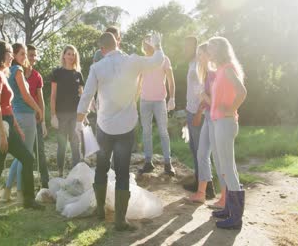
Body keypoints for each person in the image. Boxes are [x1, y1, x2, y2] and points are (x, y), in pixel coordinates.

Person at [76, 32, 165, 231]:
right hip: (126, 126)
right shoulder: (132, 61)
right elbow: (158, 61)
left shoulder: (97, 67)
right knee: (123, 173)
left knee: (101, 167)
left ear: (102, 50)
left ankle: (100, 210)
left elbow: (87, 96)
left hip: (104, 127)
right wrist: (158, 45)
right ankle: (119, 221)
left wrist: (78, 123)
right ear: (117, 43)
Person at [0, 41, 43, 221]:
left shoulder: (2, 74)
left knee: (27, 157)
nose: (11, 56)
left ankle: (29, 200)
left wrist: (16, 128)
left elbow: (7, 106)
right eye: (9, 53)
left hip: (7, 123)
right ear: (2, 55)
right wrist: (2, 134)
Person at [207, 37, 247, 230]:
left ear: (222, 49)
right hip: (219, 122)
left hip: (225, 122)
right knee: (226, 166)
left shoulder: (228, 68)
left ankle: (235, 218)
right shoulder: (221, 70)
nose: (209, 50)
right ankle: (230, 209)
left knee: (228, 168)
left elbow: (242, 91)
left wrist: (231, 110)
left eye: (212, 47)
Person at [1, 43, 43, 202]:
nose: (25, 57)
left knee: (20, 156)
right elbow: (25, 95)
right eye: (22, 54)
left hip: (16, 115)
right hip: (25, 115)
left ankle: (6, 191)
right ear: (15, 56)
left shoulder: (8, 71)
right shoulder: (18, 71)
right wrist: (38, 109)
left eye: (26, 54)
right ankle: (20, 194)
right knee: (26, 156)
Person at [187, 43, 224, 206]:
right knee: (202, 154)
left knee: (218, 157)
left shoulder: (215, 73)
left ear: (208, 55)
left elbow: (217, 102)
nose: (198, 57)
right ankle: (201, 193)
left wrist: (202, 97)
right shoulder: (205, 73)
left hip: (215, 118)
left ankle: (225, 196)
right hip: (208, 116)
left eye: (200, 54)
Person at [138, 37, 176, 176]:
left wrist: (172, 98)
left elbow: (171, 81)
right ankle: (148, 162)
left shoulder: (164, 59)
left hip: (160, 101)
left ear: (154, 44)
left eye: (149, 41)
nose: (146, 44)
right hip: (144, 101)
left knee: (163, 131)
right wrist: (134, 98)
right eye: (144, 42)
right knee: (146, 132)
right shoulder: (142, 61)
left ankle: (168, 163)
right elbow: (139, 82)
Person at [50, 45, 84, 177]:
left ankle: (76, 174)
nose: (71, 56)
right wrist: (53, 115)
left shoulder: (78, 74)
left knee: (76, 144)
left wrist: (83, 116)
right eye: (68, 54)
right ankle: (60, 173)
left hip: (75, 115)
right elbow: (53, 96)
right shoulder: (57, 72)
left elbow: (82, 96)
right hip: (61, 115)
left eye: (73, 54)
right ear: (64, 56)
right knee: (62, 146)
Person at [183, 36, 206, 193]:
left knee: (201, 151)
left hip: (199, 113)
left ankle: (205, 187)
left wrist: (199, 112)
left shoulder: (198, 64)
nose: (184, 50)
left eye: (186, 47)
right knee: (194, 149)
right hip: (191, 111)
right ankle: (199, 182)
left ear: (193, 47)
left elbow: (203, 90)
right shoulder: (191, 64)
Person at [27, 44, 50, 188]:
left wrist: (43, 122)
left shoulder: (37, 76)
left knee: (40, 152)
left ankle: (45, 184)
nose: (33, 58)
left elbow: (40, 100)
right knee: (25, 153)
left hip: (35, 120)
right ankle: (25, 184)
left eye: (35, 55)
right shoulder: (15, 73)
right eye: (30, 55)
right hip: (21, 119)